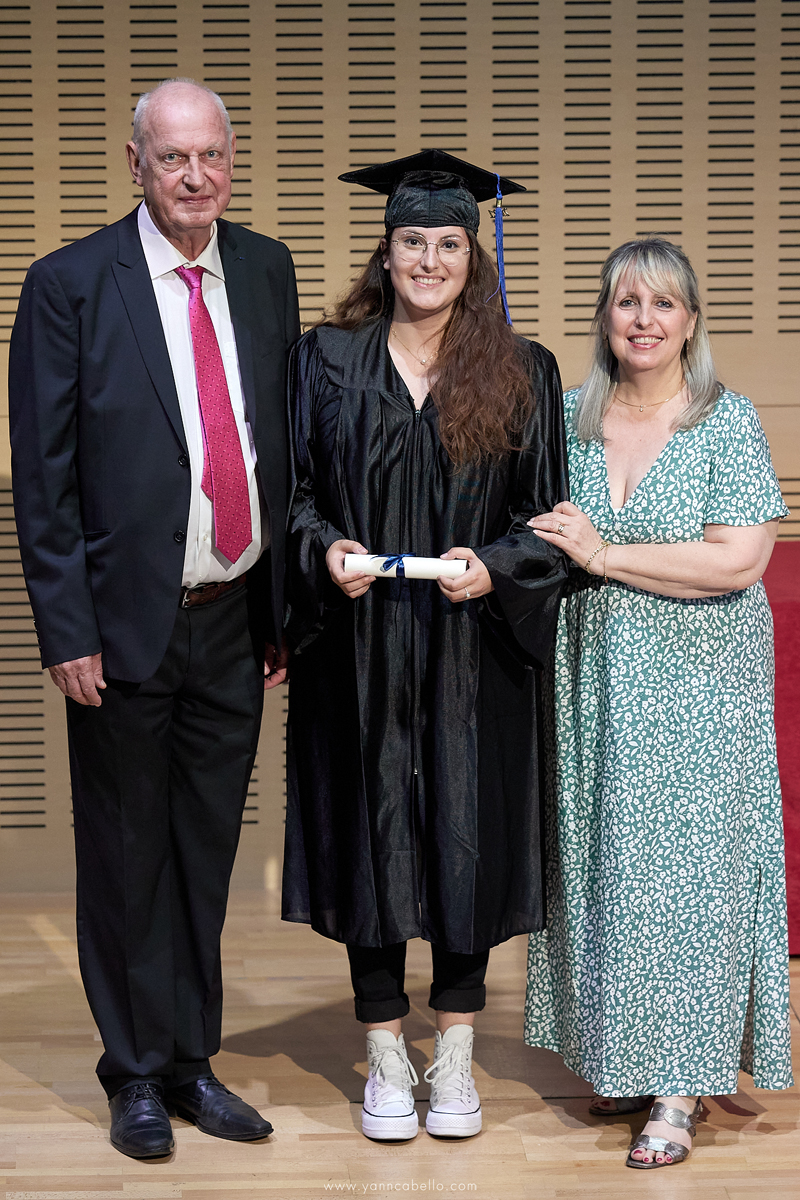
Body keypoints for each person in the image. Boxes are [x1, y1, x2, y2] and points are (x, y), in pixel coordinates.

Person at [8, 79, 300, 1159]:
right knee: (127, 857)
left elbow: (278, 442)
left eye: (211, 156)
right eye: (172, 158)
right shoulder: (70, 284)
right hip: (122, 626)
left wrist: (281, 605)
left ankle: (191, 1063)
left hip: (235, 617)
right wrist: (65, 627)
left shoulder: (265, 271)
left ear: (231, 162)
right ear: (134, 164)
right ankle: (131, 1072)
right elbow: (42, 479)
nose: (194, 177)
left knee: (204, 851)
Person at [281, 150, 569, 1142]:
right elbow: (296, 498)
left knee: (463, 844)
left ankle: (452, 1059)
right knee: (367, 840)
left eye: (449, 243)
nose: (430, 259)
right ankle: (384, 1057)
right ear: (386, 249)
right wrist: (324, 552)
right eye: (413, 241)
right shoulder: (325, 359)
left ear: (470, 257)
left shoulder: (520, 371)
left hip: (467, 653)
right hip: (356, 650)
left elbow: (546, 521)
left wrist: (494, 565)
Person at [524, 236, 793, 1169]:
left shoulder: (724, 420)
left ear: (690, 322)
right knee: (608, 868)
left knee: (692, 880)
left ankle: (681, 1086)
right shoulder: (563, 419)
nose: (643, 320)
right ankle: (627, 1057)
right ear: (603, 316)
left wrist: (603, 556)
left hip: (699, 683)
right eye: (625, 301)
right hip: (595, 677)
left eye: (663, 304)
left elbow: (737, 560)